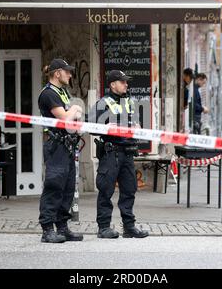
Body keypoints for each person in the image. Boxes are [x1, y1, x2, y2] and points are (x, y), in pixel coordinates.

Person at [88, 70, 148, 239]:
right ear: (113, 84)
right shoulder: (103, 103)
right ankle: (104, 227)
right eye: (123, 82)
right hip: (111, 153)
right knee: (106, 190)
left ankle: (129, 227)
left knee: (129, 190)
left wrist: (137, 127)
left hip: (128, 153)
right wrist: (107, 127)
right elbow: (90, 126)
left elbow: (134, 122)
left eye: (126, 82)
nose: (126, 84)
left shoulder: (129, 102)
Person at [38, 58, 84, 243]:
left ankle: (62, 227)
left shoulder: (62, 92)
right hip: (56, 146)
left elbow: (74, 120)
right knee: (54, 187)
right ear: (57, 73)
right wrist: (75, 108)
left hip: (67, 146)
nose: (70, 74)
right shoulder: (48, 94)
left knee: (67, 189)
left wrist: (75, 114)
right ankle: (47, 229)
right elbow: (66, 119)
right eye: (67, 71)